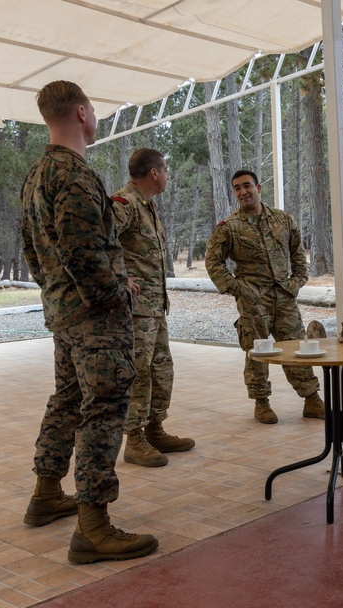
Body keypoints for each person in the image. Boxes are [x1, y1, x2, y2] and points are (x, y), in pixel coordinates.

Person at [20, 80, 157, 564]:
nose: (96, 115)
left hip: (64, 312)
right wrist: (116, 295)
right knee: (104, 406)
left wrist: (58, 293)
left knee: (69, 398)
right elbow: (84, 254)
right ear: (81, 113)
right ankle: (93, 526)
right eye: (94, 108)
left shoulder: (36, 174)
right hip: (96, 318)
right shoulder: (73, 175)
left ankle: (45, 493)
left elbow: (35, 253)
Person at [205, 170, 323, 424]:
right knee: (257, 352)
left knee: (295, 349)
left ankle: (311, 400)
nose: (242, 192)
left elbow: (299, 257)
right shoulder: (229, 227)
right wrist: (237, 288)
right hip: (253, 301)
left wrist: (295, 283)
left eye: (247, 186)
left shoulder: (283, 221)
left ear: (259, 187)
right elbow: (213, 262)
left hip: (285, 298)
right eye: (237, 188)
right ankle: (261, 402)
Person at [111, 149, 196, 467]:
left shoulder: (147, 205)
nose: (168, 174)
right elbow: (100, 241)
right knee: (140, 373)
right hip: (134, 310)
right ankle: (134, 440)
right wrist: (120, 277)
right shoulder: (124, 203)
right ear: (154, 173)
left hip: (154, 308)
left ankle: (155, 428)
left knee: (161, 369)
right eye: (166, 168)